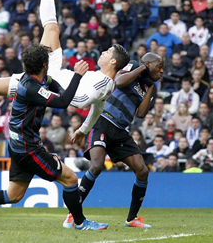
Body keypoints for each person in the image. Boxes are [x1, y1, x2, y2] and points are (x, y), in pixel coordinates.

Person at [0, 0, 130, 158]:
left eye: (108, 52)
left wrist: (62, 82)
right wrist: (84, 130)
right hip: (54, 73)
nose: (103, 52)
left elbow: (79, 101)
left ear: (113, 62)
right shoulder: (105, 83)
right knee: (52, 28)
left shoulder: (103, 82)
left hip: (45, 80)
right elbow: (98, 108)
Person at [0, 45, 108, 230]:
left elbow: (53, 84)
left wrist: (61, 90)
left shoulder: (35, 78)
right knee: (70, 179)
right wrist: (77, 76)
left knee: (13, 195)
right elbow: (62, 102)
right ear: (44, 64)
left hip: (19, 146)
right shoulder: (31, 88)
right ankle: (80, 223)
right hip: (29, 150)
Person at [68, 52, 163, 229]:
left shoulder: (148, 86)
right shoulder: (134, 65)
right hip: (103, 121)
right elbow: (119, 82)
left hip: (120, 131)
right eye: (159, 67)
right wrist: (143, 67)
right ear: (149, 64)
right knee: (96, 166)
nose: (162, 71)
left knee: (142, 171)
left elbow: (141, 114)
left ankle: (131, 219)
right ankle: (73, 215)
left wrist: (150, 87)